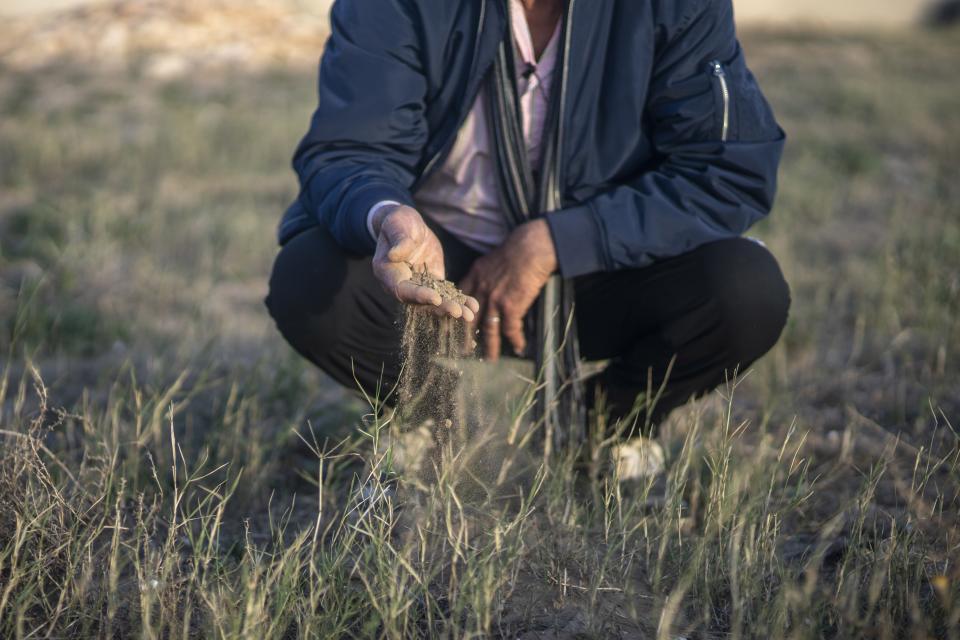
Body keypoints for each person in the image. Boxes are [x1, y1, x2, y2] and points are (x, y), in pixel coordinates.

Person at [266, 0, 791, 478]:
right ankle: (427, 413)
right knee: (312, 280)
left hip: (605, 261)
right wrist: (390, 217)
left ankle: (609, 421)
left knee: (745, 291)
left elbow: (726, 169)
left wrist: (557, 242)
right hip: (443, 262)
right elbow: (350, 149)